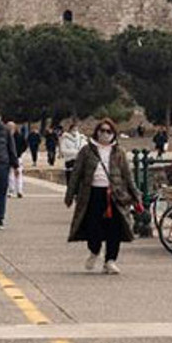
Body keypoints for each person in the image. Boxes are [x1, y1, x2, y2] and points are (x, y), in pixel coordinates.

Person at [65, 118, 141, 275]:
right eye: (102, 131)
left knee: (115, 229)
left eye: (109, 131)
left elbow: (127, 175)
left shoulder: (119, 152)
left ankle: (110, 261)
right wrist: (70, 195)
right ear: (96, 132)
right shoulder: (86, 151)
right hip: (92, 194)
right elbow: (76, 174)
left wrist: (136, 196)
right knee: (93, 227)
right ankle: (94, 250)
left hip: (115, 195)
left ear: (113, 134)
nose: (105, 134)